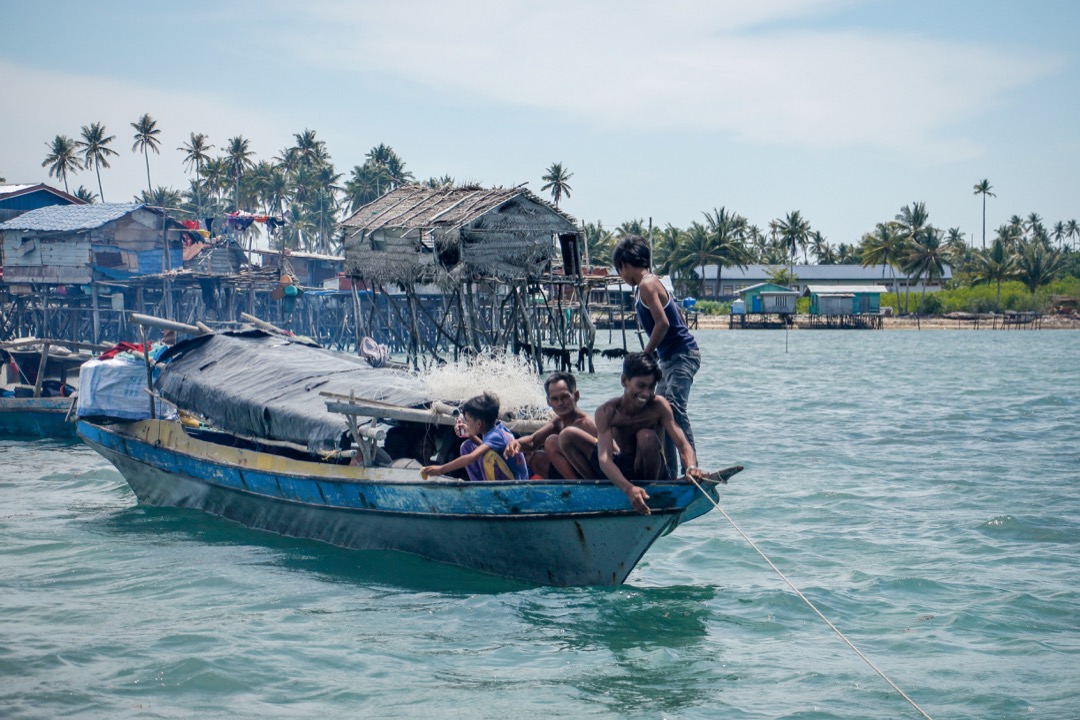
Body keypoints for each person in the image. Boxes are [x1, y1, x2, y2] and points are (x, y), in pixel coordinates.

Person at [561, 352, 704, 515]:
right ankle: (598, 490)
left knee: (646, 436)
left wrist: (691, 467)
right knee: (567, 436)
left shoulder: (659, 406)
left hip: (654, 471)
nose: (646, 394)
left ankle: (651, 491)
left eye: (651, 387)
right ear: (624, 381)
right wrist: (628, 488)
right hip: (624, 467)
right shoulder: (607, 411)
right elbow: (605, 459)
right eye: (641, 386)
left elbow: (682, 443)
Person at [613, 234, 700, 478]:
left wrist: (645, 355)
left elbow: (662, 324)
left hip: (681, 355)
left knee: (673, 408)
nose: (622, 277)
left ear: (625, 265)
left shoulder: (647, 284)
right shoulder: (653, 284)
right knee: (660, 414)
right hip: (670, 358)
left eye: (620, 271)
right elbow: (678, 317)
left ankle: (692, 468)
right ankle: (670, 474)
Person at [504, 371, 597, 479]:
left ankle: (579, 489)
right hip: (575, 472)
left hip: (594, 477)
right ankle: (569, 487)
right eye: (555, 399)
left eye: (565, 397)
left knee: (551, 442)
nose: (560, 403)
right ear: (548, 402)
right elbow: (533, 441)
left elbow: (609, 456)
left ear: (576, 396)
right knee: (535, 458)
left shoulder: (587, 424)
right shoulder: (559, 421)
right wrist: (515, 443)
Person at [422, 392, 529, 481]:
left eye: (468, 421)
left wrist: (441, 469)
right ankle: (480, 486)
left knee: (486, 456)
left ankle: (488, 491)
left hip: (516, 482)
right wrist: (470, 434)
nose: (467, 424)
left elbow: (472, 457)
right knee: (467, 446)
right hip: (509, 475)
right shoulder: (498, 429)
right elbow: (484, 447)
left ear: (479, 424)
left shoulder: (496, 436)